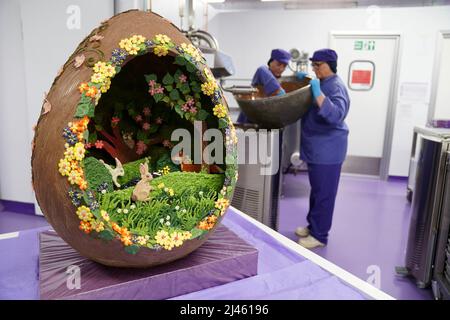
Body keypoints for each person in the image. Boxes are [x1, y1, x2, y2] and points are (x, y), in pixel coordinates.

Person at [294, 48, 350, 249]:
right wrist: (309, 80)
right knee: (317, 191)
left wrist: (317, 92)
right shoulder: (324, 81)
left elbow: (336, 115)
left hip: (328, 150)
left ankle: (320, 236)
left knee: (325, 193)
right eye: (313, 65)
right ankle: (313, 226)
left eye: (319, 65)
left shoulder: (336, 86)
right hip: (318, 149)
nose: (315, 69)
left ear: (330, 66)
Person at [236, 49, 291, 124]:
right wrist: (281, 93)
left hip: (267, 121)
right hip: (251, 121)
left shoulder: (277, 80)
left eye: (284, 66)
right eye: (278, 64)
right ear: (270, 62)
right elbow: (275, 89)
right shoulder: (263, 71)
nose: (281, 69)